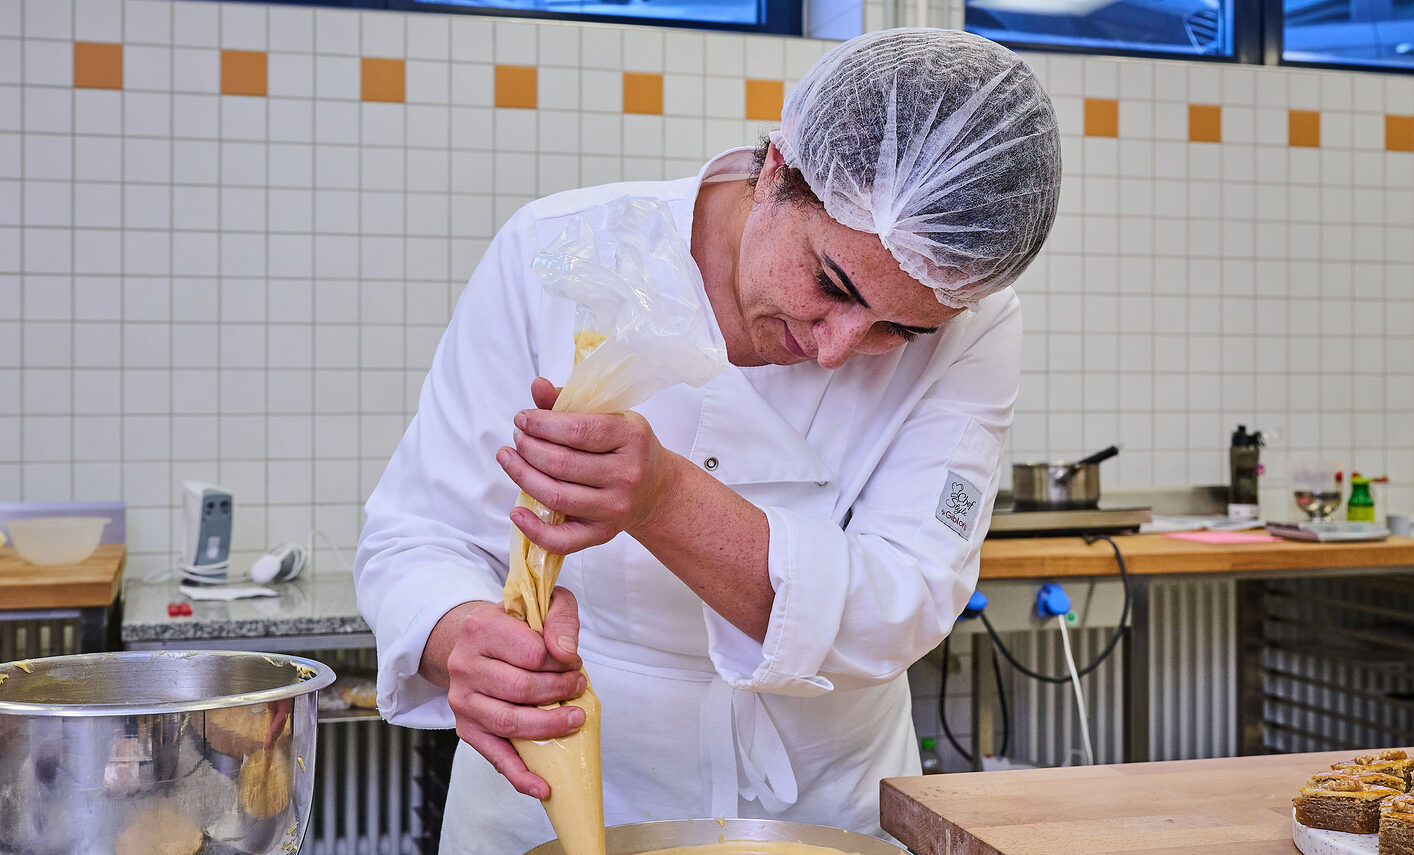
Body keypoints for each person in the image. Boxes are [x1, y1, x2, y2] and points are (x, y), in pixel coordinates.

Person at [354, 27, 1061, 855]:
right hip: (560, 792)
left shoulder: (978, 330)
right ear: (775, 171)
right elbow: (418, 533)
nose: (836, 348)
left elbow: (904, 597)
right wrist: (458, 637)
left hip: (821, 814)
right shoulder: (557, 253)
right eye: (832, 283)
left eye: (897, 331)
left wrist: (663, 499)